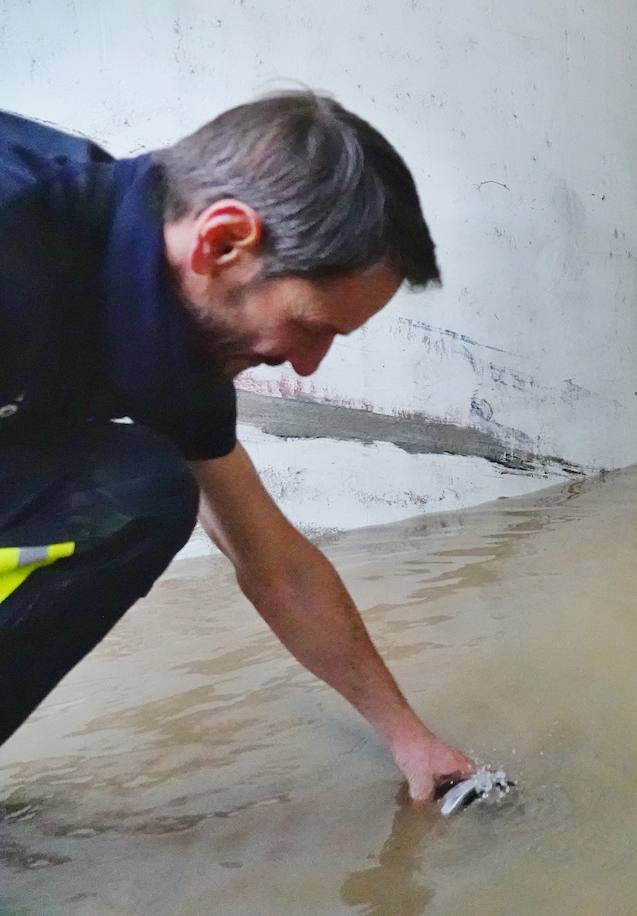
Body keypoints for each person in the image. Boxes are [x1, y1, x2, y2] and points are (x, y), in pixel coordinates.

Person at [0, 91, 477, 800]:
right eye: (311, 325)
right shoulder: (18, 226)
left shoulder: (170, 344)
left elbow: (273, 560)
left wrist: (412, 741)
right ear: (223, 243)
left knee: (143, 492)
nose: (309, 364)